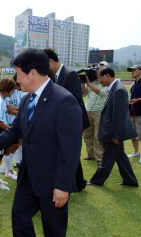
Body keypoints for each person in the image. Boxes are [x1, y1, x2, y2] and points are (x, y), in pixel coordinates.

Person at [0, 48, 82, 237]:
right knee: (20, 218)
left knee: (54, 235)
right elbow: (14, 132)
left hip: (52, 181)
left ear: (32, 73)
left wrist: (63, 186)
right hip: (28, 178)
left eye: (18, 74)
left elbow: (71, 149)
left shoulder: (64, 100)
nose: (16, 79)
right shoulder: (28, 99)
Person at [44, 48, 89, 192]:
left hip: (73, 121)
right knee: (68, 151)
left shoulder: (70, 75)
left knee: (69, 152)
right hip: (63, 121)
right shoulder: (57, 75)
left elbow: (74, 100)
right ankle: (79, 182)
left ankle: (76, 184)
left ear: (50, 61)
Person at [88, 67, 138, 187]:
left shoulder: (118, 90)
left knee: (107, 159)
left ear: (108, 76)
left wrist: (115, 135)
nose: (99, 81)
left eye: (100, 78)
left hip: (113, 133)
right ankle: (130, 180)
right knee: (121, 157)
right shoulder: (113, 89)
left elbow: (118, 116)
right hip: (112, 131)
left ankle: (97, 181)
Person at [0, 78, 17, 190]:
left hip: (0, 130)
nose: (14, 91)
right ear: (8, 89)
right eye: (13, 89)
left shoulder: (1, 100)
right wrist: (10, 129)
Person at [81, 69, 108, 166]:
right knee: (87, 134)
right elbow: (83, 94)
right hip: (88, 109)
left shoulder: (103, 83)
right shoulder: (90, 83)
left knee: (97, 135)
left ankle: (100, 158)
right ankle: (90, 154)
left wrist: (89, 85)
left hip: (99, 111)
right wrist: (83, 83)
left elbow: (101, 93)